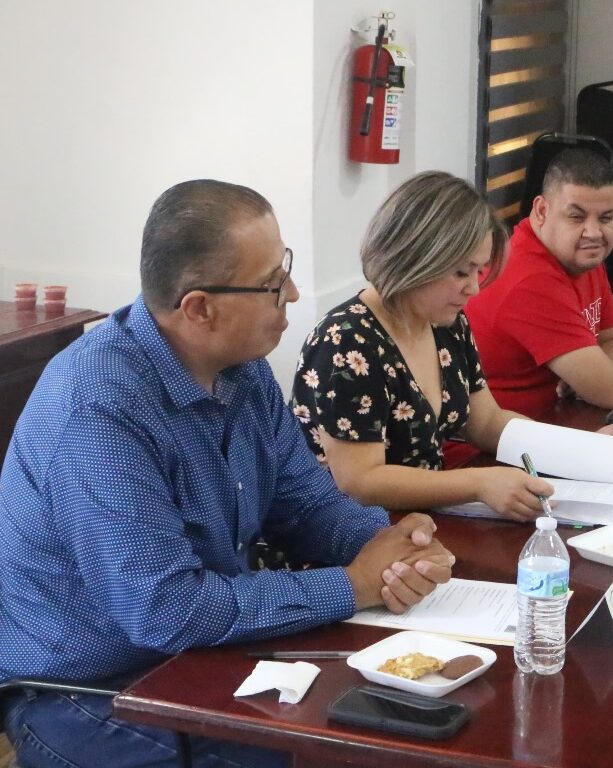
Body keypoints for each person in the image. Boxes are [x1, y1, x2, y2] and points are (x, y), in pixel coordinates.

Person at [0, 180, 454, 768]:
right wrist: (354, 585)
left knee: (398, 725)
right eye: (272, 283)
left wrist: (390, 551)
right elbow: (167, 609)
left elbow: (308, 505)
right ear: (199, 308)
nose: (292, 293)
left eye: (285, 269)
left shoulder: (243, 370)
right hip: (84, 691)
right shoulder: (98, 410)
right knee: (309, 756)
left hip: (199, 656)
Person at [292, 171, 613, 520]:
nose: (473, 289)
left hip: (418, 520)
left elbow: (487, 422)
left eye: (478, 271)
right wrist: (479, 483)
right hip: (347, 531)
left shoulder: (444, 323)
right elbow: (360, 481)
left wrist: (581, 449)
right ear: (415, 259)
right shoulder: (345, 342)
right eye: (461, 273)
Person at [465, 149, 613, 416]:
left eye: (606, 218)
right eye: (576, 217)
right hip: (509, 435)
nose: (593, 232)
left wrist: (594, 374)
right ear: (541, 211)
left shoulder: (579, 257)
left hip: (559, 419)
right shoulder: (530, 279)